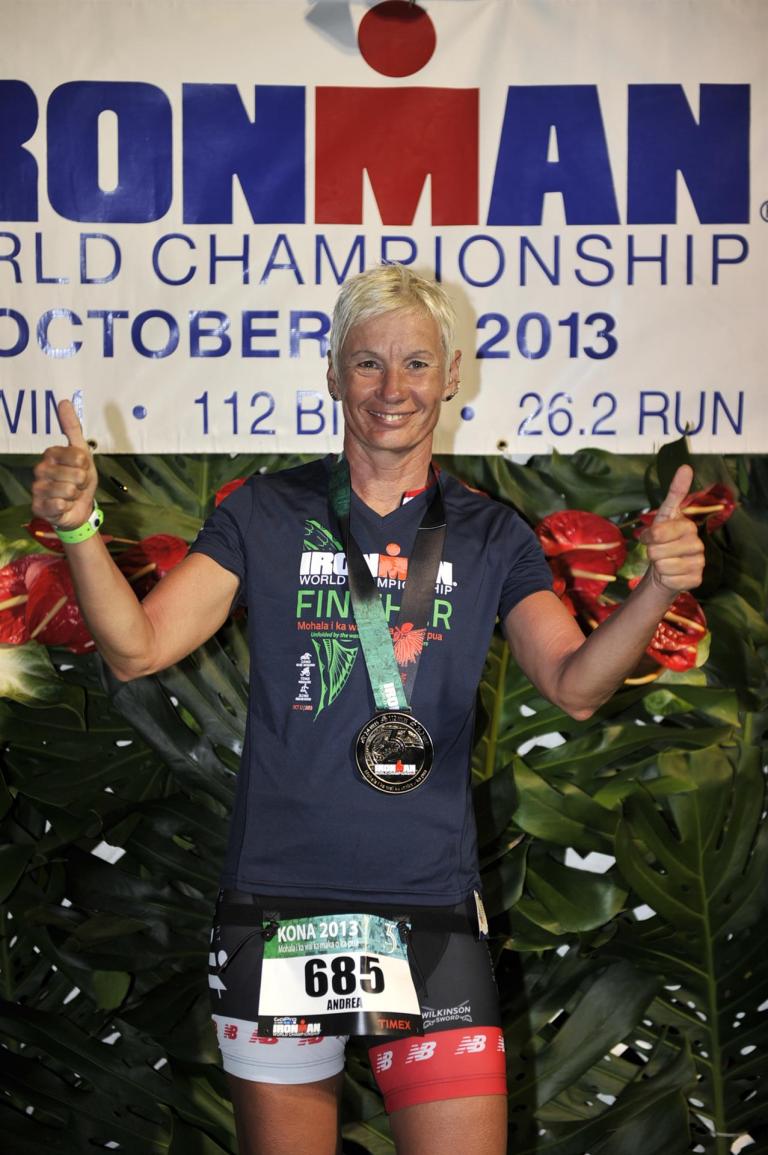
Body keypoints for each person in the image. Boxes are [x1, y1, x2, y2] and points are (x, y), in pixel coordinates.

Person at [31, 264, 704, 1155]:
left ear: (451, 374)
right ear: (333, 373)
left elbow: (576, 686)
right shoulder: (265, 512)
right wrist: (79, 529)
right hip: (279, 906)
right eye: (368, 362)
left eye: (416, 363)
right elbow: (138, 646)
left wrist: (657, 589)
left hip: (429, 908)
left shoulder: (491, 534)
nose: (393, 388)